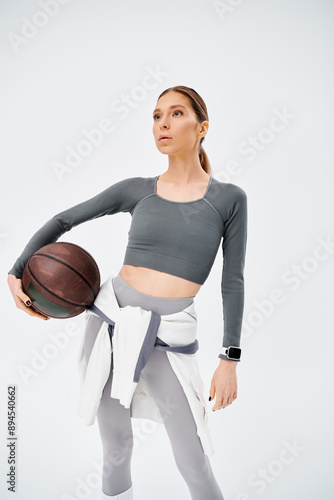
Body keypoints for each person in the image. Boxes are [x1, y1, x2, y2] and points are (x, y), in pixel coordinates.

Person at [7, 85, 248, 500]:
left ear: (202, 127)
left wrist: (230, 359)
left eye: (175, 114)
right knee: (115, 448)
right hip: (112, 326)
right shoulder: (138, 189)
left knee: (192, 458)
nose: (163, 124)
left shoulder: (229, 200)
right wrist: (15, 272)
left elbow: (233, 280)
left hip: (169, 337)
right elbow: (63, 220)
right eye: (156, 116)